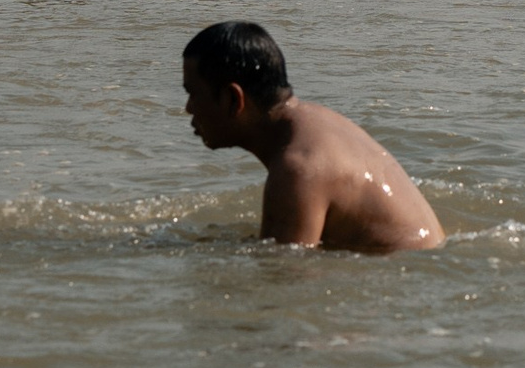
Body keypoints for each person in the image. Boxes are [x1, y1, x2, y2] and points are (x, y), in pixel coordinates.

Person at [179, 21, 444, 252]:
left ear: (232, 99)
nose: (188, 108)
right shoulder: (317, 121)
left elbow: (284, 283)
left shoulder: (298, 168)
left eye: (193, 94)